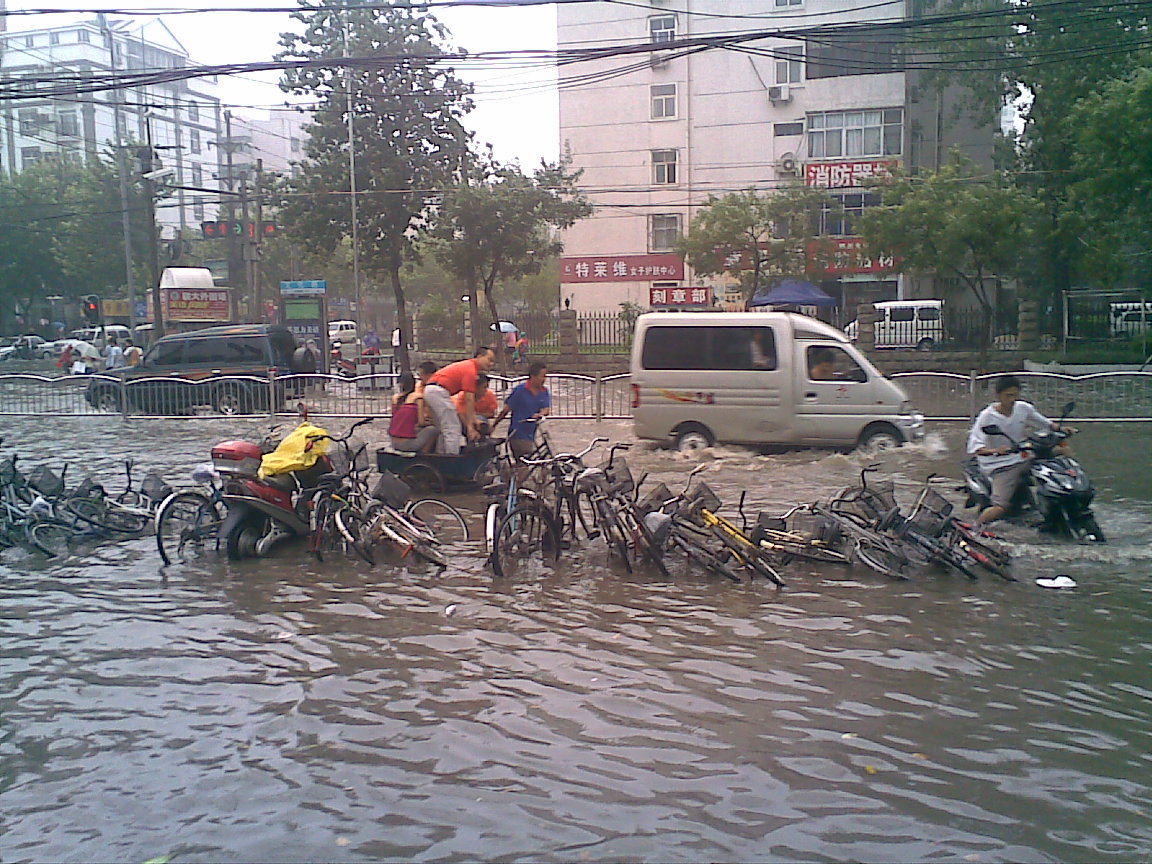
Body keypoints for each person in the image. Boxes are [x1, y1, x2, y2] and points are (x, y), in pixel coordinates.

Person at [967, 374, 1063, 525]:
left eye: (1015, 395)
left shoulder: (1023, 408)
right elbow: (975, 447)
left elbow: (1045, 423)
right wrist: (996, 451)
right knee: (999, 507)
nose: (1012, 399)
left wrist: (1061, 429)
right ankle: (974, 530)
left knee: (1060, 451)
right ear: (998, 395)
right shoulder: (987, 417)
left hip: (1023, 455)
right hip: (1001, 464)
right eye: (1008, 395)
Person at [423, 347, 496, 454]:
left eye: (493, 361)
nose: (491, 364)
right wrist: (470, 427)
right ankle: (452, 459)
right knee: (453, 427)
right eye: (489, 359)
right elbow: (469, 399)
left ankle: (440, 456)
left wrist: (472, 421)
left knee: (443, 428)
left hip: (433, 390)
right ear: (479, 356)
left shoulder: (467, 366)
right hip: (438, 391)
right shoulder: (470, 370)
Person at [492, 362, 552, 459]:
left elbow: (546, 409)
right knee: (525, 464)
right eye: (542, 376)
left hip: (531, 434)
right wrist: (495, 424)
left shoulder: (544, 391)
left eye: (545, 376)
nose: (544, 379)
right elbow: (506, 410)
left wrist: (539, 414)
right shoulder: (520, 390)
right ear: (533, 376)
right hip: (518, 433)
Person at [389, 373, 439, 454]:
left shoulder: (395, 398)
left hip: (394, 442)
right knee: (433, 430)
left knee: (419, 430)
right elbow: (421, 422)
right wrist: (431, 422)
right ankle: (424, 455)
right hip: (407, 444)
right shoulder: (418, 398)